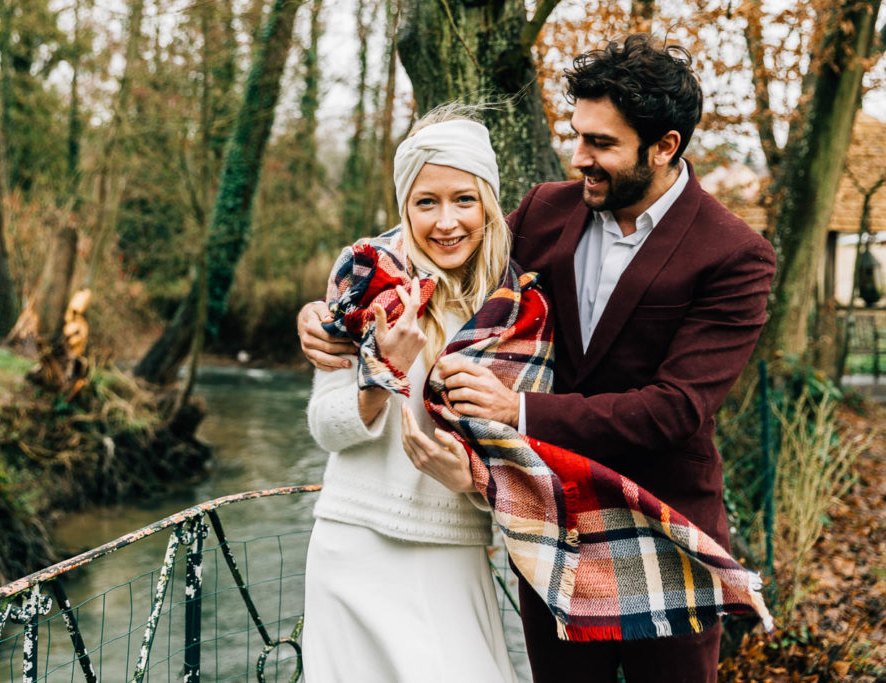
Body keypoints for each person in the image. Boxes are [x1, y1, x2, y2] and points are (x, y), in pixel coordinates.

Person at [299, 34, 776, 682]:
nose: (579, 158)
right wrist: (329, 309)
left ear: (665, 147)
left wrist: (516, 408)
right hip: (551, 527)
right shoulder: (545, 212)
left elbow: (677, 408)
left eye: (601, 144)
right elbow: (426, 243)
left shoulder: (734, 253)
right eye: (578, 135)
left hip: (660, 535)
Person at [302, 106, 519, 683]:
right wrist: (382, 371)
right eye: (426, 202)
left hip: (455, 550)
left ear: (489, 205)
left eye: (463, 200)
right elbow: (326, 426)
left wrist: (469, 483)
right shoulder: (364, 279)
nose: (446, 221)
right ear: (405, 207)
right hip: (354, 546)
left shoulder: (519, 308)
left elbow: (525, 459)